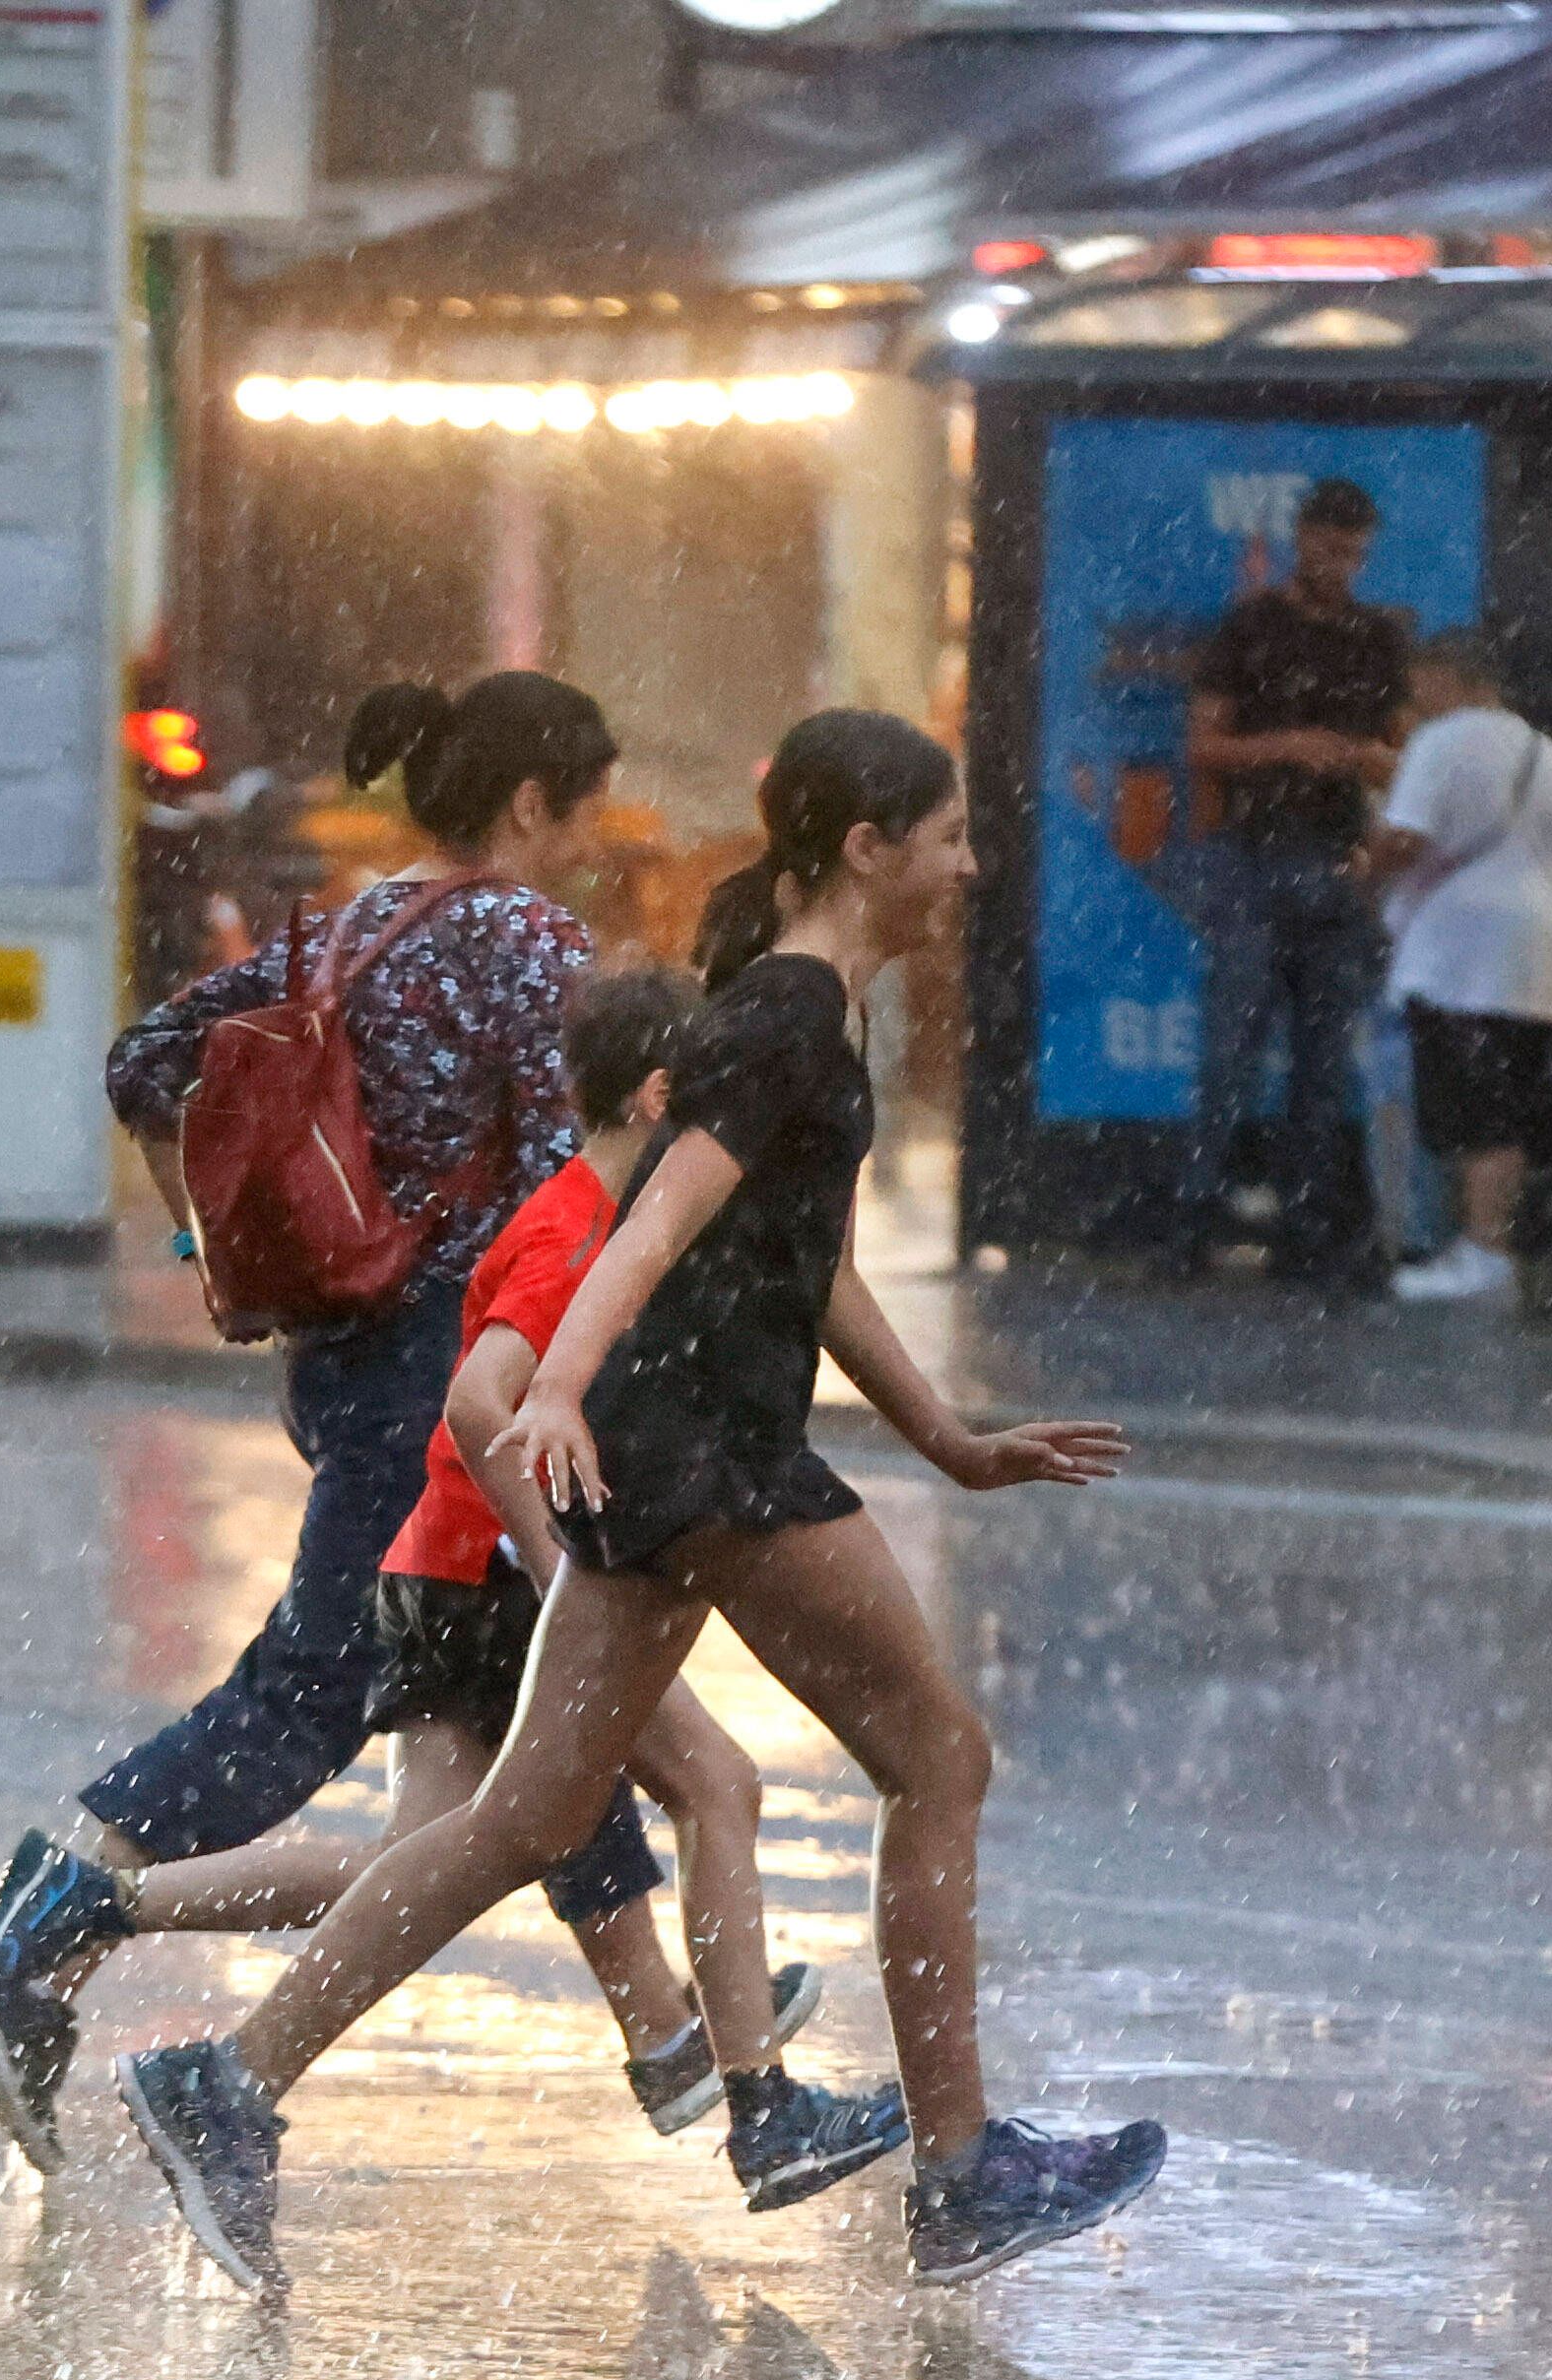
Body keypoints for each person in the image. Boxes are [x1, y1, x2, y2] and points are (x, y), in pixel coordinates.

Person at [108, 712, 1165, 2296]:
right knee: (939, 1756)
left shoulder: (803, 1013)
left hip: (667, 1455)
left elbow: (802, 1257)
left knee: (525, 1815)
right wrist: (543, 1390)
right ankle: (959, 2169)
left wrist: (944, 1434)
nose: (968, 862)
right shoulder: (788, 1019)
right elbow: (644, 1229)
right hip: (712, 1463)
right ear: (866, 850)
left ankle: (226, 2084)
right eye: (947, 834)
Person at [0, 965, 859, 2181]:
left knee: (432, 1858)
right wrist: (561, 1576)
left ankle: (117, 1921)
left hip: (448, 1572)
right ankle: (753, 2096)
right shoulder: (576, 1233)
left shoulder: (566, 1205)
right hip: (489, 1580)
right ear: (656, 1101)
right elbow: (481, 1403)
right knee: (711, 1781)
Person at [0, 674, 671, 2155]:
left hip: (345, 1351)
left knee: (523, 1694)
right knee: (320, 1686)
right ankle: (61, 1906)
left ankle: (674, 2038)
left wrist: (200, 1253)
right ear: (531, 805)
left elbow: (141, 1063)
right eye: (585, 808)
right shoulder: (528, 940)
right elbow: (564, 1181)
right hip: (448, 1371)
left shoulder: (345, 922)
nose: (595, 839)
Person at [1176, 477, 1408, 1286]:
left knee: (1319, 1056)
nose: (1341, 565)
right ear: (1300, 538)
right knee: (1230, 1050)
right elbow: (1202, 747)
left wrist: (1363, 762)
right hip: (1249, 854)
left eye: (1353, 553)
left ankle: (1302, 1225)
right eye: (1330, 548)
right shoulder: (1250, 625)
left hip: (1334, 857)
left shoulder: (1375, 637)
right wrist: (1291, 745)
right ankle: (1197, 1216)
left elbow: (1396, 748)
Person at [1362, 631, 1552, 1307]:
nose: (1414, 696)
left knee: (1474, 1110)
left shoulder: (1443, 741)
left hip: (1461, 951)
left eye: (1419, 680)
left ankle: (1481, 1253)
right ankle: (1489, 1248)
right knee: (1509, 1103)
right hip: (1538, 949)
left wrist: (1363, 864)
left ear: (1446, 676)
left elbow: (1405, 837)